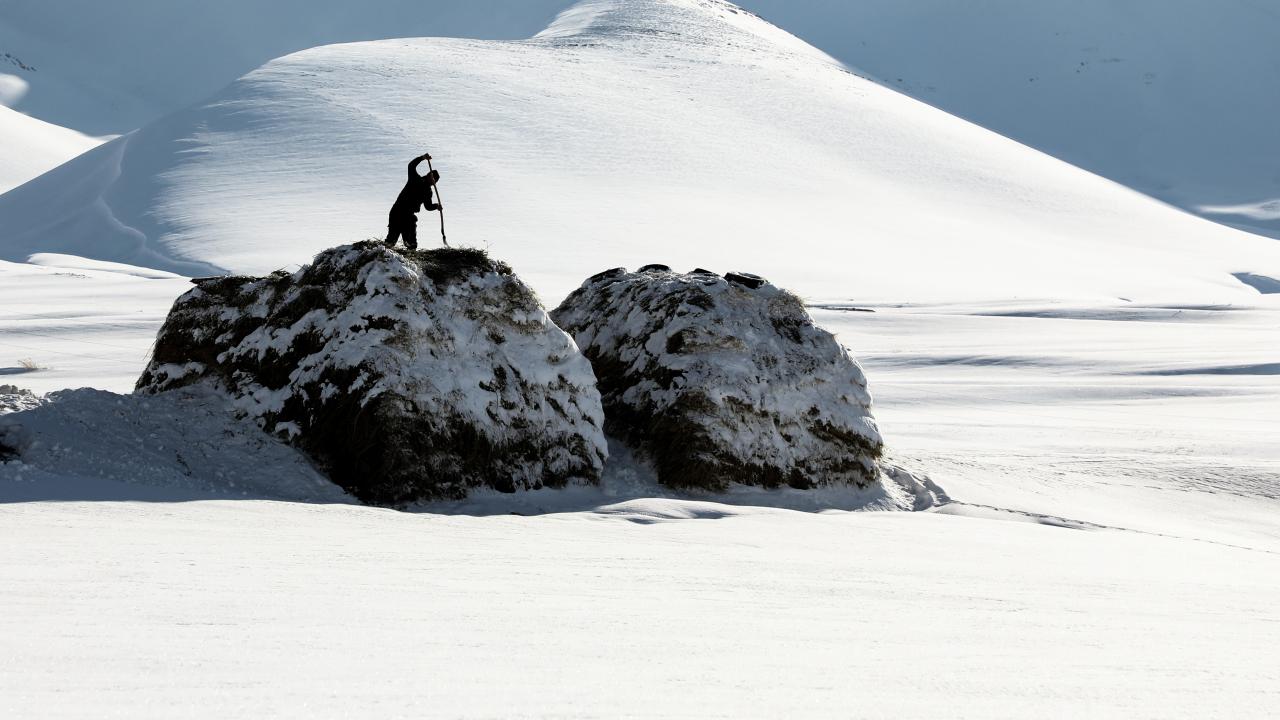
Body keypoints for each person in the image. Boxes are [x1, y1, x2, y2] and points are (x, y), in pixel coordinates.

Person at [385, 153, 442, 250]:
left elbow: (428, 206)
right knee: (391, 240)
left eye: (434, 181)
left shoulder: (428, 192)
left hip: (409, 216)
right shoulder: (415, 178)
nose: (433, 182)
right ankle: (383, 258)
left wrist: (436, 206)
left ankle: (409, 260)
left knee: (411, 243)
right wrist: (423, 158)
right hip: (398, 211)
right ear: (428, 175)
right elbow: (411, 165)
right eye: (433, 178)